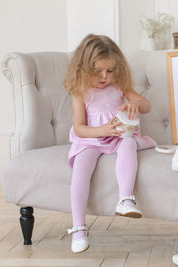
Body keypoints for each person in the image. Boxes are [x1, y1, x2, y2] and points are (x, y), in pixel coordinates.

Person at [63, 34, 156, 253]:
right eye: (98, 71)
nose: (105, 76)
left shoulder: (119, 86)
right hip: (91, 139)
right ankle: (78, 228)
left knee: (128, 144)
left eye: (110, 70)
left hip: (118, 137)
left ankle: (125, 199)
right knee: (81, 168)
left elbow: (146, 107)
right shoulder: (80, 91)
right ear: (83, 68)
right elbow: (79, 128)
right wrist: (101, 131)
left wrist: (133, 104)